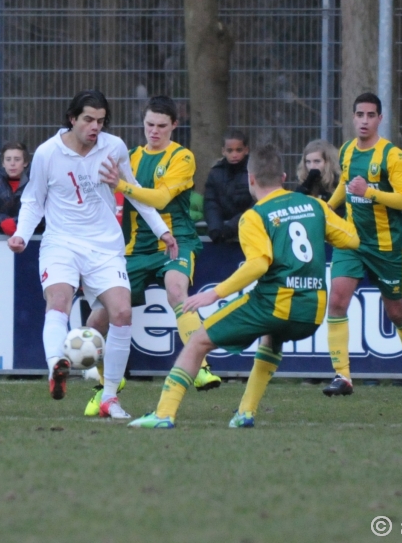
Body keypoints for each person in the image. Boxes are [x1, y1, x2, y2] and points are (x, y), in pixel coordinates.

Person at [128, 144, 360, 428]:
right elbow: (351, 240)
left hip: (273, 303)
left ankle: (163, 414)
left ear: (250, 179)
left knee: (198, 341)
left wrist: (213, 294)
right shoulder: (316, 206)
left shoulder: (254, 216)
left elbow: (258, 265)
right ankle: (245, 413)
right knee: (273, 338)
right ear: (284, 176)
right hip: (312, 312)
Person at [7, 90, 177, 419]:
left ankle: (109, 398)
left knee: (123, 313)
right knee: (58, 301)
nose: (95, 126)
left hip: (104, 247)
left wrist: (162, 231)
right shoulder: (47, 153)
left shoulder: (113, 148)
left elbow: (135, 193)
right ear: (72, 119)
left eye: (100, 121)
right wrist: (21, 235)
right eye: (88, 119)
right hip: (61, 242)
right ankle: (57, 366)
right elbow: (33, 201)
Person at [87, 95, 220, 417]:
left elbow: (160, 199)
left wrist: (122, 185)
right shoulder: (129, 157)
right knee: (98, 317)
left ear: (174, 125)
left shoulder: (182, 157)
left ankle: (199, 364)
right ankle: (105, 386)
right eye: (149, 125)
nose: (154, 131)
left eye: (162, 126)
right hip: (134, 249)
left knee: (177, 290)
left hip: (176, 241)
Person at [323, 92, 402, 399]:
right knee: (337, 301)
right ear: (352, 117)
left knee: (395, 311)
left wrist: (370, 193)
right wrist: (326, 209)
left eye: (371, 115)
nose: (364, 120)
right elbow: (345, 184)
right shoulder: (346, 151)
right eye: (359, 115)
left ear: (380, 118)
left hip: (386, 246)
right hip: (351, 240)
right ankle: (342, 376)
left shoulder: (393, 156)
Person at [203, 130, 253, 243]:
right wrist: (215, 227)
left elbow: (257, 204)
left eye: (238, 150)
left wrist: (232, 226)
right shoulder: (215, 173)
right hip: (222, 234)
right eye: (230, 150)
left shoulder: (254, 172)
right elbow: (211, 203)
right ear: (223, 151)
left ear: (246, 150)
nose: (234, 155)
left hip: (250, 232)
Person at [0, 141, 31, 236]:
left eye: (17, 159)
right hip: (0, 238)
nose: (12, 164)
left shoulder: (35, 182)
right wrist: (3, 220)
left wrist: (16, 222)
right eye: (8, 159)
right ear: (3, 163)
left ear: (25, 163)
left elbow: (43, 211)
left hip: (32, 236)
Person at [295, 139, 340, 203]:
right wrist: (308, 183)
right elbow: (296, 202)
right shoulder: (304, 181)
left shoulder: (338, 181)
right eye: (308, 162)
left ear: (328, 162)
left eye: (317, 161)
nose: (312, 166)